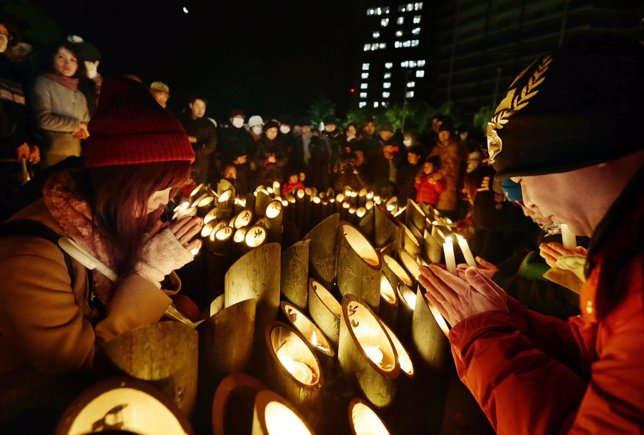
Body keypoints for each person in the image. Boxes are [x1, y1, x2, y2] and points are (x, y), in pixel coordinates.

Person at [419, 34, 644, 434]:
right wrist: (510, 318)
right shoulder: (625, 257)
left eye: (521, 177)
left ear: (588, 149)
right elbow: (600, 351)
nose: (524, 201)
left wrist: (486, 337)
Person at [0, 77, 202, 422]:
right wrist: (148, 270)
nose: (165, 203)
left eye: (173, 189)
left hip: (106, 365)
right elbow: (86, 369)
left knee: (188, 309)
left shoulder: (108, 214)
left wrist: (150, 253)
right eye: (159, 188)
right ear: (122, 183)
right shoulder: (29, 256)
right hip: (41, 404)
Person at [31, 39, 90, 168]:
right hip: (52, 154)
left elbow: (85, 123)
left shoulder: (80, 95)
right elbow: (43, 119)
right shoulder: (44, 83)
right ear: (52, 59)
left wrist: (84, 130)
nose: (67, 63)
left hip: (75, 155)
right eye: (61, 57)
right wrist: (76, 125)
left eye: (73, 59)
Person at [0, 18, 40, 203]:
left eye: (3, 35)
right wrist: (17, 140)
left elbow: (24, 111)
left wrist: (33, 142)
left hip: (14, 160)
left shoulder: (12, 73)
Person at [178, 95, 218, 184]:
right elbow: (177, 138)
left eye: (203, 107)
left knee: (198, 189)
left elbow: (212, 144)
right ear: (191, 105)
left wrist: (196, 143)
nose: (200, 110)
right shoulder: (182, 120)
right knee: (180, 185)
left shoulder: (209, 125)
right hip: (183, 161)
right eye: (198, 106)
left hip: (201, 163)